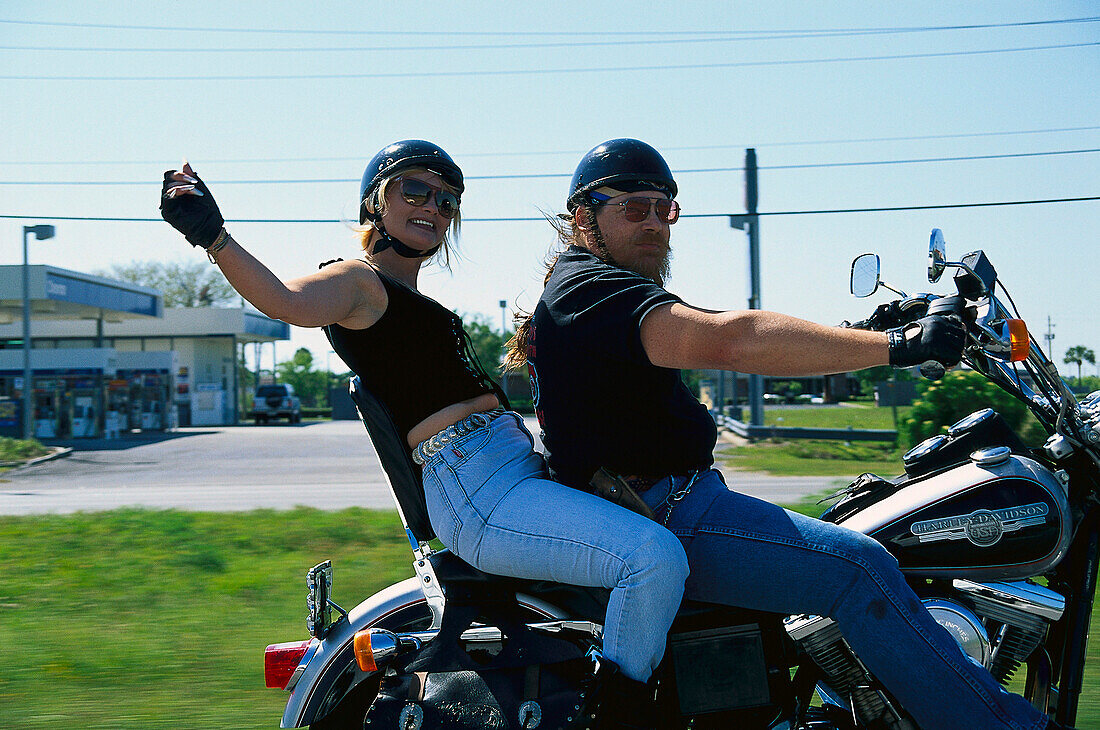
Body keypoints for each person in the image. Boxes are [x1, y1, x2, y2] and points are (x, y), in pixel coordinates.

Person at [507, 138, 1067, 730]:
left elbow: (734, 333)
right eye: (633, 208)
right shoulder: (588, 289)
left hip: (671, 500)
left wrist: (859, 331)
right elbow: (731, 338)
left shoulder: (603, 292)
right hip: (663, 510)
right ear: (582, 216)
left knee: (868, 521)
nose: (654, 223)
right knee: (861, 569)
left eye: (664, 208)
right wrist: (897, 346)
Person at [159, 140, 688, 729]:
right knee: (652, 559)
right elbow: (284, 301)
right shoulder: (358, 282)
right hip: (479, 488)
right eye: (414, 190)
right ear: (374, 204)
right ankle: (622, 717)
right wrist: (213, 235)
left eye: (446, 200)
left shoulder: (411, 298)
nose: (433, 206)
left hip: (505, 472)